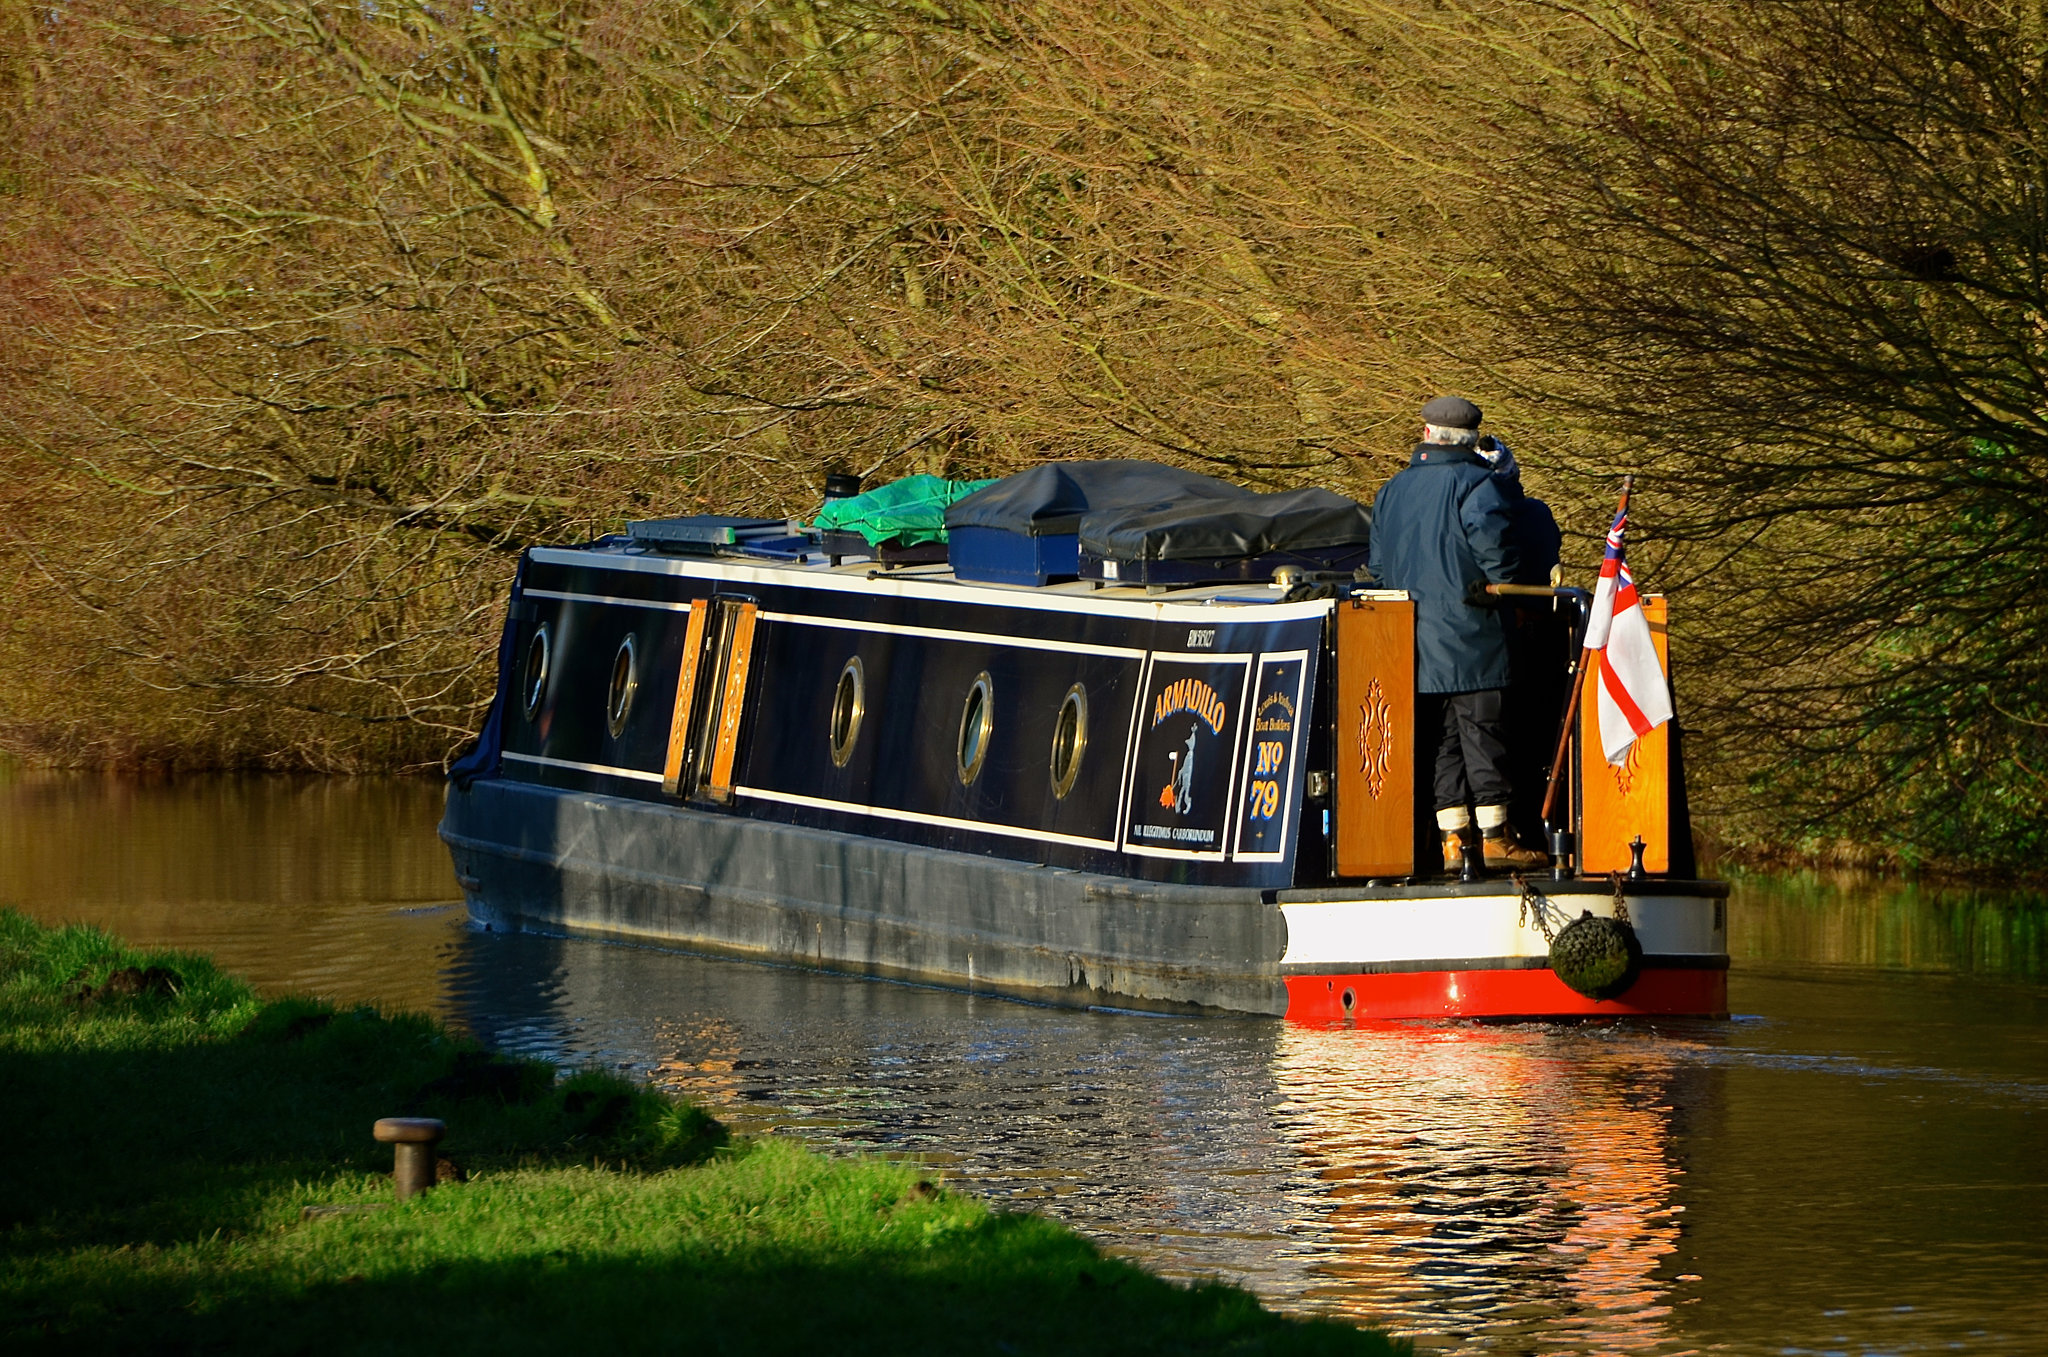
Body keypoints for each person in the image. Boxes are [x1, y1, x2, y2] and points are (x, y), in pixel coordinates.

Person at [1368, 396, 1550, 872]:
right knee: (1484, 731)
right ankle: (1495, 838)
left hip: (1409, 639)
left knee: (1442, 739)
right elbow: (1500, 561)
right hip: (1473, 635)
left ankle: (1453, 841)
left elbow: (1380, 569)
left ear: (1427, 435)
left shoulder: (1390, 491)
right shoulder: (1480, 486)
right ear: (1471, 439)